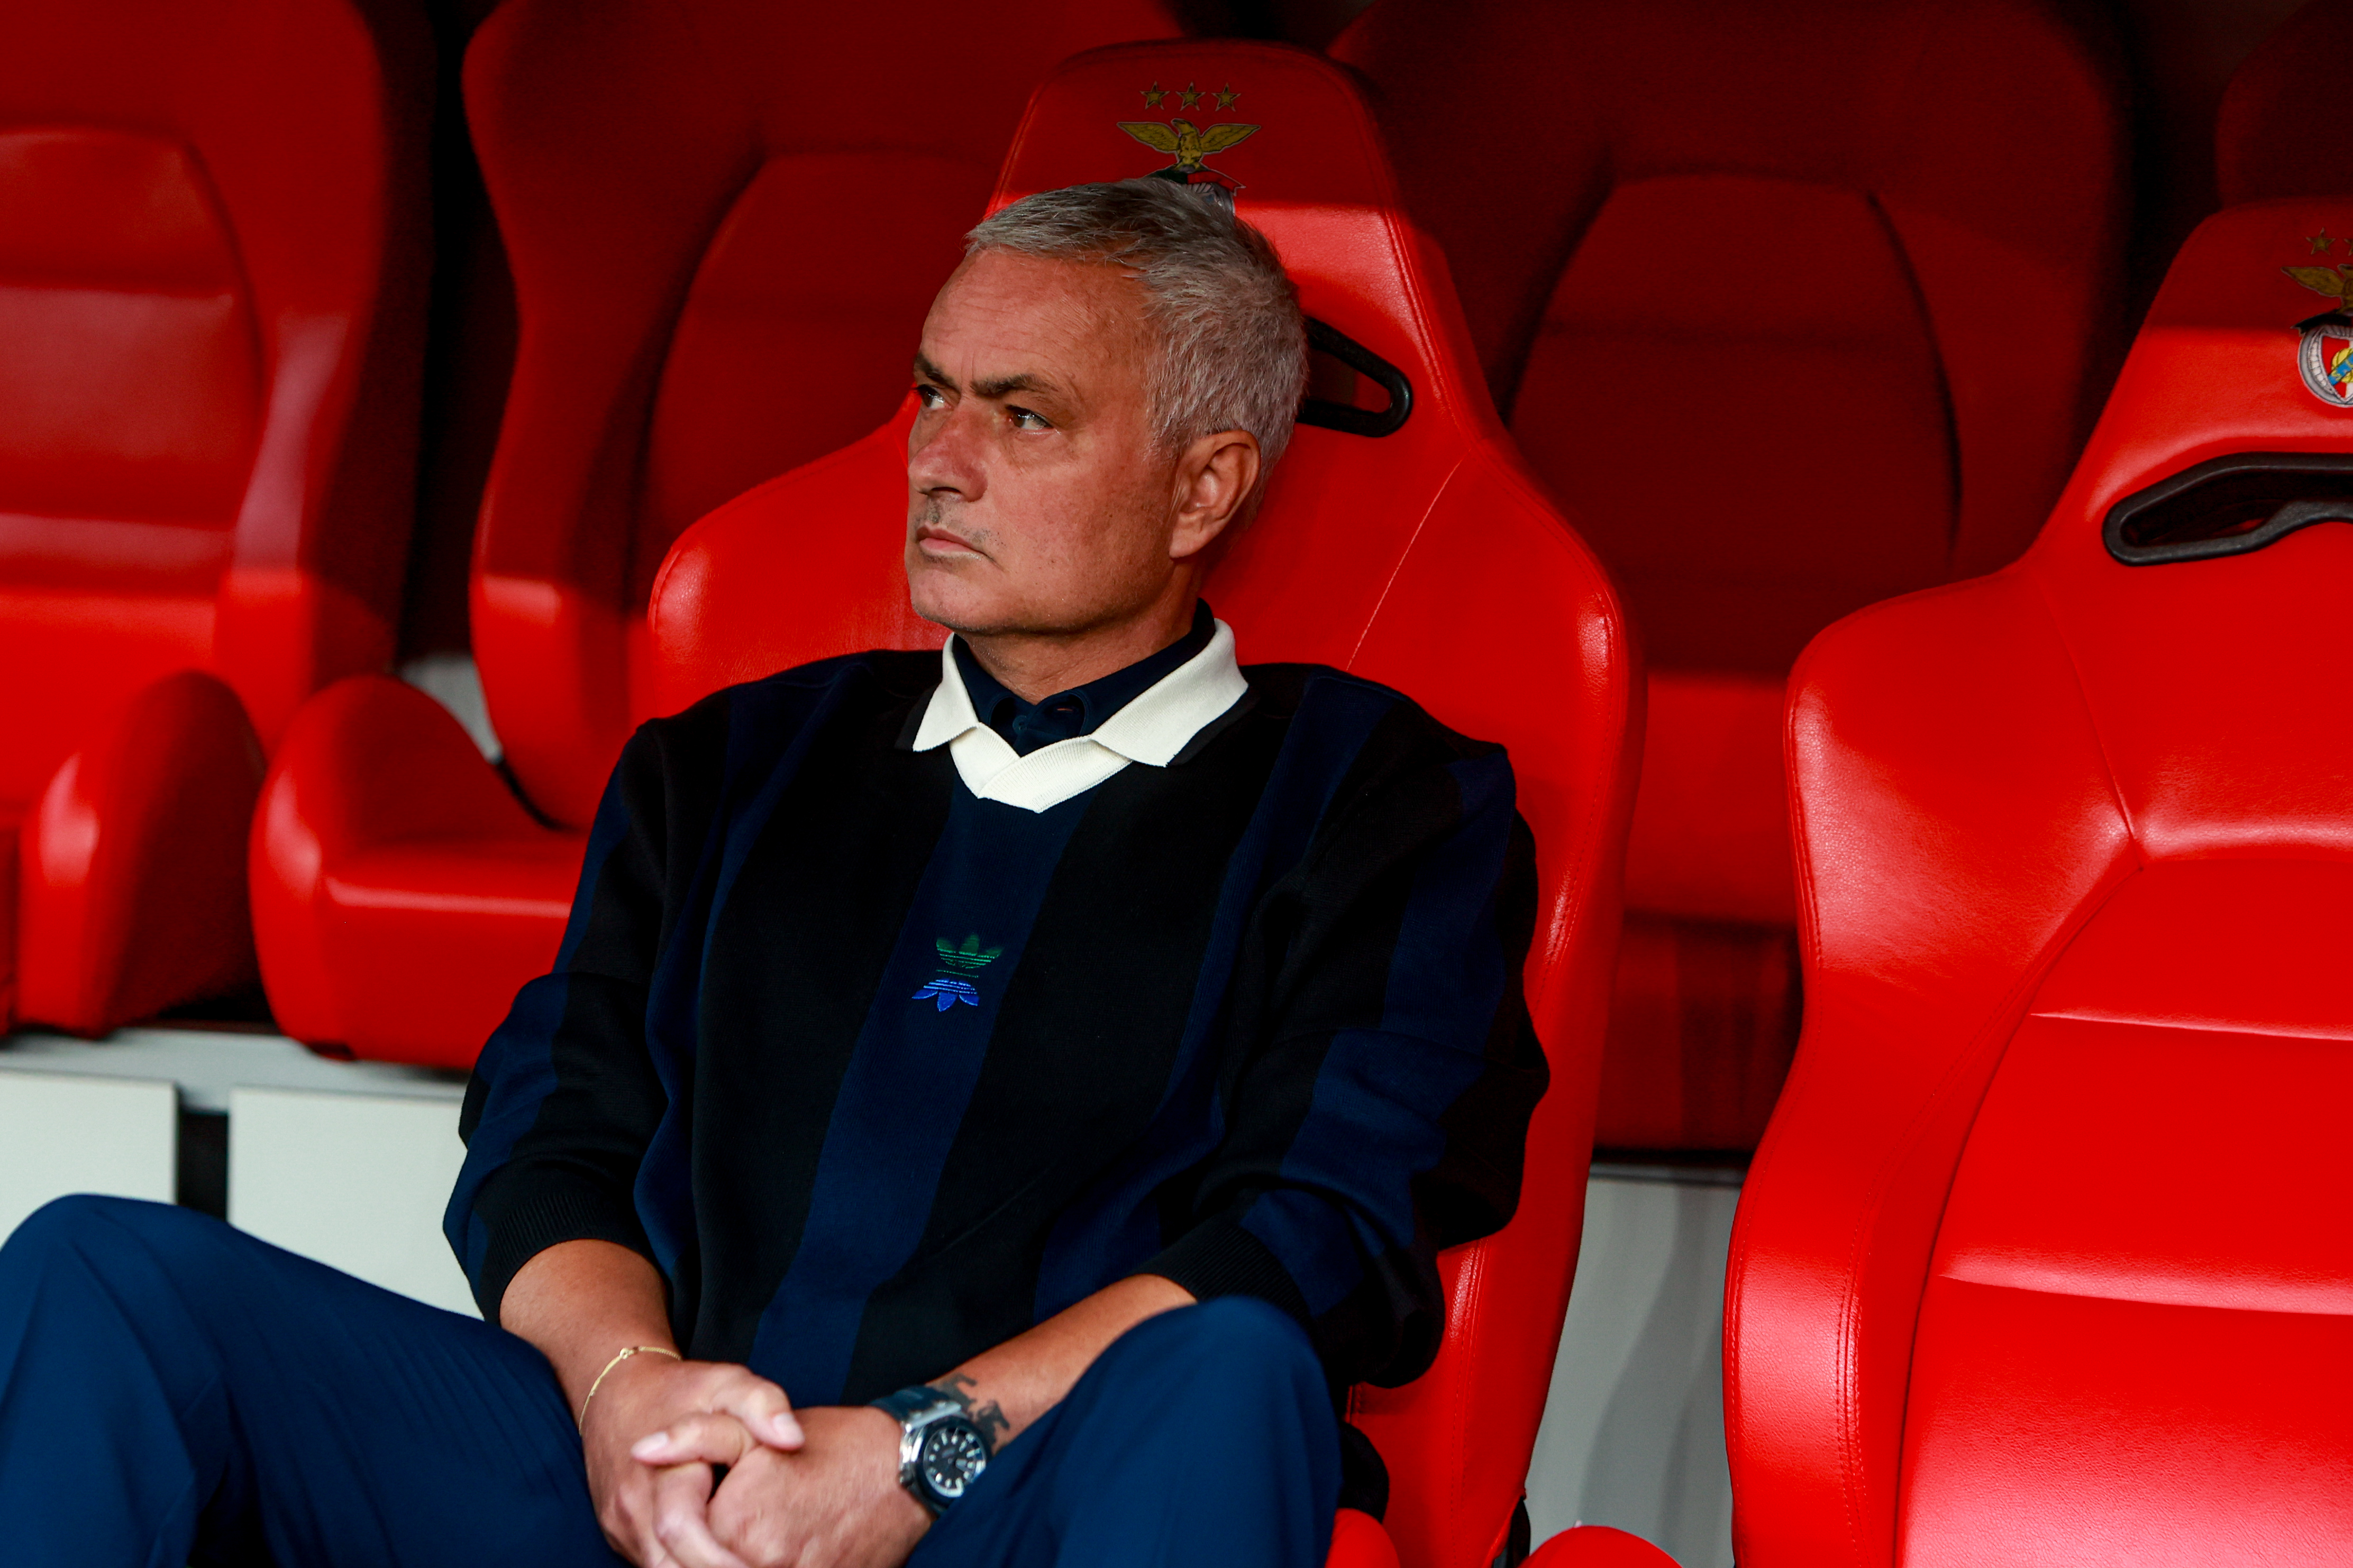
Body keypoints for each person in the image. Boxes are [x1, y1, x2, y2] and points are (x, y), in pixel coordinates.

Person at [0, 178, 1543, 1568]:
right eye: (933, 393)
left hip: (1018, 1498)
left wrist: (913, 1454)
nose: (936, 463)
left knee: (1237, 1368)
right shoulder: (729, 760)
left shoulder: (1383, 802)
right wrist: (627, 1399)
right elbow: (553, 1131)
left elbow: (1318, 1231)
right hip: (653, 1481)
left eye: (1024, 417)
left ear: (1206, 488)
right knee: (103, 1274)